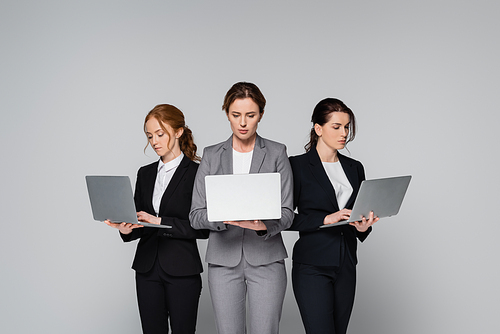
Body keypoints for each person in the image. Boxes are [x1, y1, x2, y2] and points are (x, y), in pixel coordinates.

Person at [189, 82, 294, 334]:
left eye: (251, 115)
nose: (243, 122)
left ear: (261, 115)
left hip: (267, 259)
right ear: (227, 114)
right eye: (236, 115)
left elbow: (288, 213)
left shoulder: (277, 152)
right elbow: (195, 215)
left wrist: (264, 225)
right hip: (223, 261)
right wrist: (222, 218)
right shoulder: (212, 155)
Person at [105, 104, 209, 334]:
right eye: (149, 136)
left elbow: (203, 228)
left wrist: (159, 220)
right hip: (146, 269)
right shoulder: (145, 173)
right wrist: (125, 229)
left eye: (160, 134)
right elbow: (140, 222)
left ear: (179, 131)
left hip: (182, 269)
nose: (154, 141)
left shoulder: (197, 174)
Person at [288, 98, 379, 334]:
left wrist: (363, 227)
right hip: (312, 265)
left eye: (347, 127)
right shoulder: (296, 166)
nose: (344, 133)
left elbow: (358, 213)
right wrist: (324, 219)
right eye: (336, 127)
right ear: (318, 129)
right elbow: (282, 217)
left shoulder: (354, 167)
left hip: (346, 263)